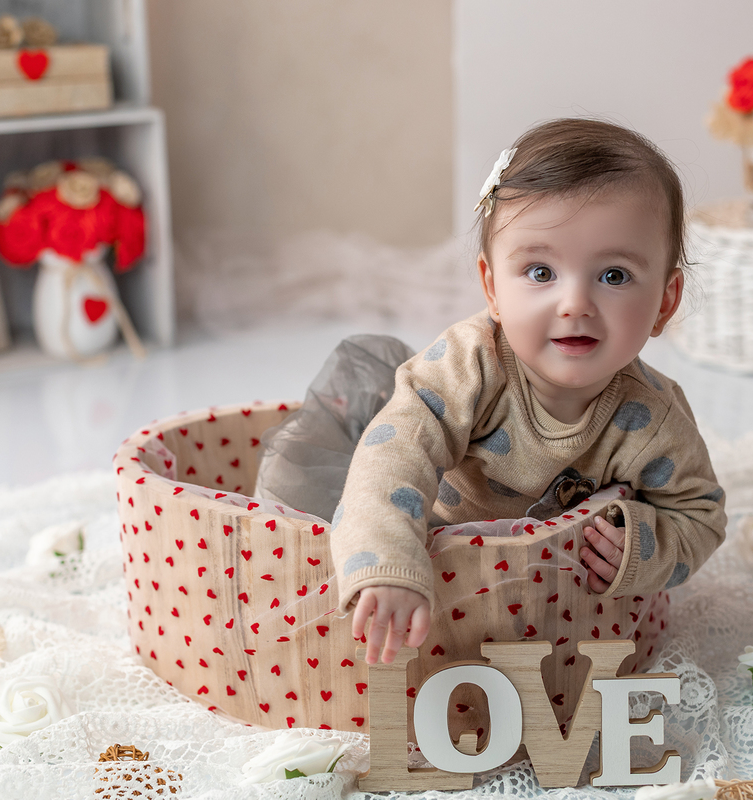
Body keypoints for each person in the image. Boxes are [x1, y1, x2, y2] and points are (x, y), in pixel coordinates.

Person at [259, 118, 727, 666]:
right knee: (337, 504)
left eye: (615, 276)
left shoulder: (653, 416)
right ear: (492, 289)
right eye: (540, 270)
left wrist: (641, 545)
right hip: (427, 524)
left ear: (666, 303)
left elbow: (701, 516)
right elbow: (396, 458)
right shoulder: (471, 363)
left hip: (531, 597)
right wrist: (390, 564)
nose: (574, 302)